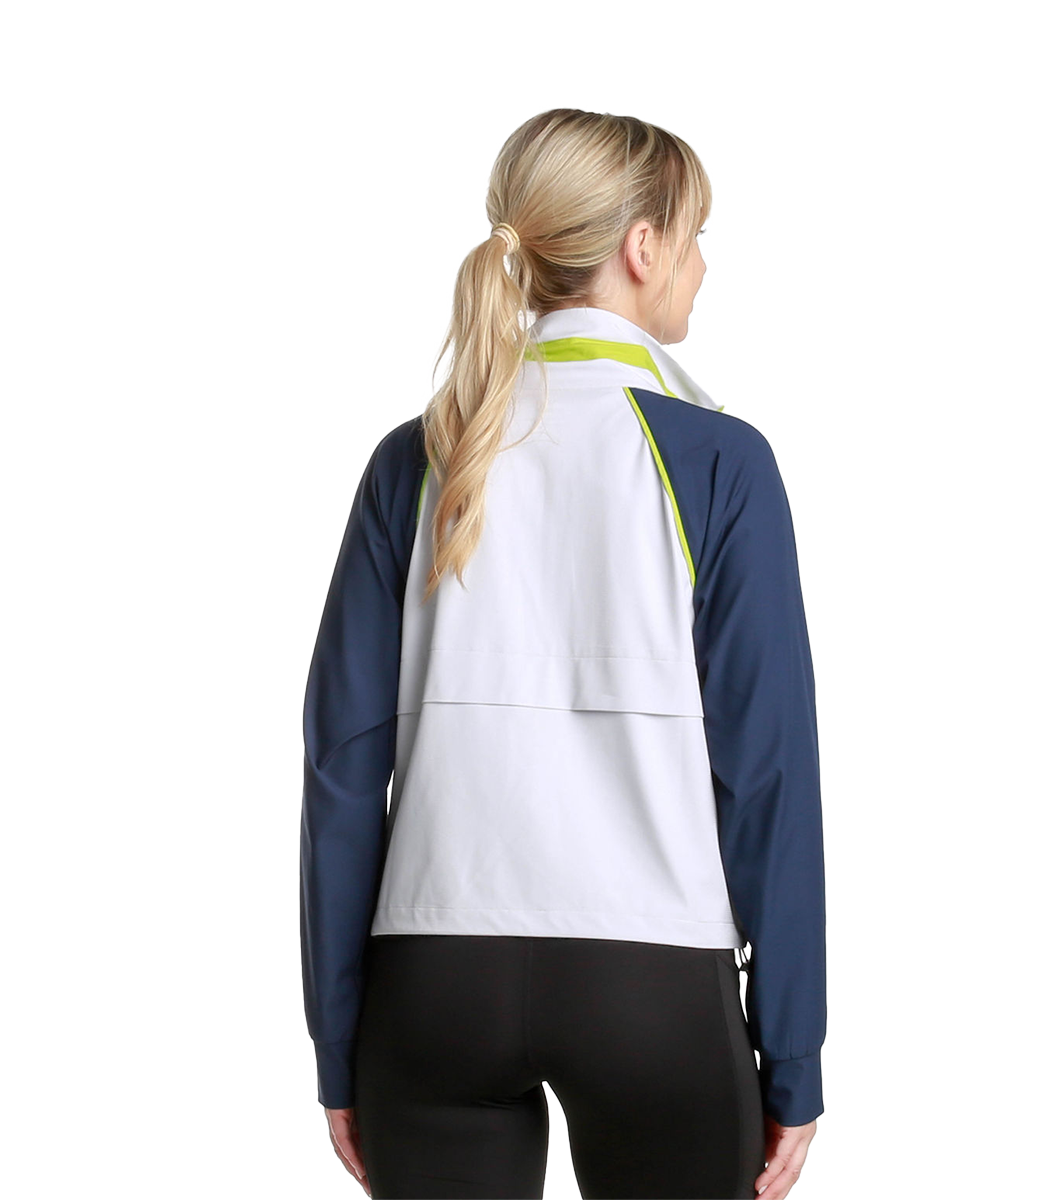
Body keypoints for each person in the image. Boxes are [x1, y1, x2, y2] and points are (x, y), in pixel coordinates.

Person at [299, 107, 827, 1200]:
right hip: (655, 990)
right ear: (644, 247)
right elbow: (767, 774)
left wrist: (340, 1041)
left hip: (428, 987)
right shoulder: (719, 462)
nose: (700, 266)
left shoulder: (417, 460)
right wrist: (794, 1053)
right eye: (696, 237)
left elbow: (341, 771)